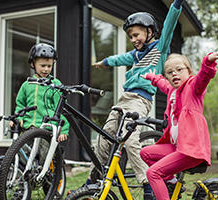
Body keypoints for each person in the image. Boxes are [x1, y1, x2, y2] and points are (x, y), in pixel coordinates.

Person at [85, 0, 185, 199]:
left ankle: (147, 183)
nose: (133, 39)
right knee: (103, 139)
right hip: (124, 99)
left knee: (129, 139)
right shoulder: (136, 55)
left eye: (136, 34)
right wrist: (105, 62)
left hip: (140, 99)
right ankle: (91, 181)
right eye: (130, 36)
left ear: (150, 32)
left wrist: (177, 4)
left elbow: (170, 23)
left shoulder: (160, 47)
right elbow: (120, 58)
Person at [139, 47, 218, 200]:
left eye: (179, 69)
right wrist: (151, 77)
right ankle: (172, 182)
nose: (174, 73)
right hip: (177, 147)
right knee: (145, 152)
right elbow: (162, 84)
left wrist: (208, 61)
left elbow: (204, 76)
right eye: (169, 72)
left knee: (152, 173)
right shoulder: (172, 92)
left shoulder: (193, 87)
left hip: (191, 150)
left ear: (189, 72)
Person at [10, 43, 69, 142]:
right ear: (33, 64)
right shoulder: (27, 84)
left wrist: (63, 129)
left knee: (44, 156)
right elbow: (20, 104)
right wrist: (19, 118)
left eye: (49, 66)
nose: (46, 69)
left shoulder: (55, 84)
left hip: (47, 129)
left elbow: (62, 108)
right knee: (25, 154)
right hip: (27, 127)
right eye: (42, 65)